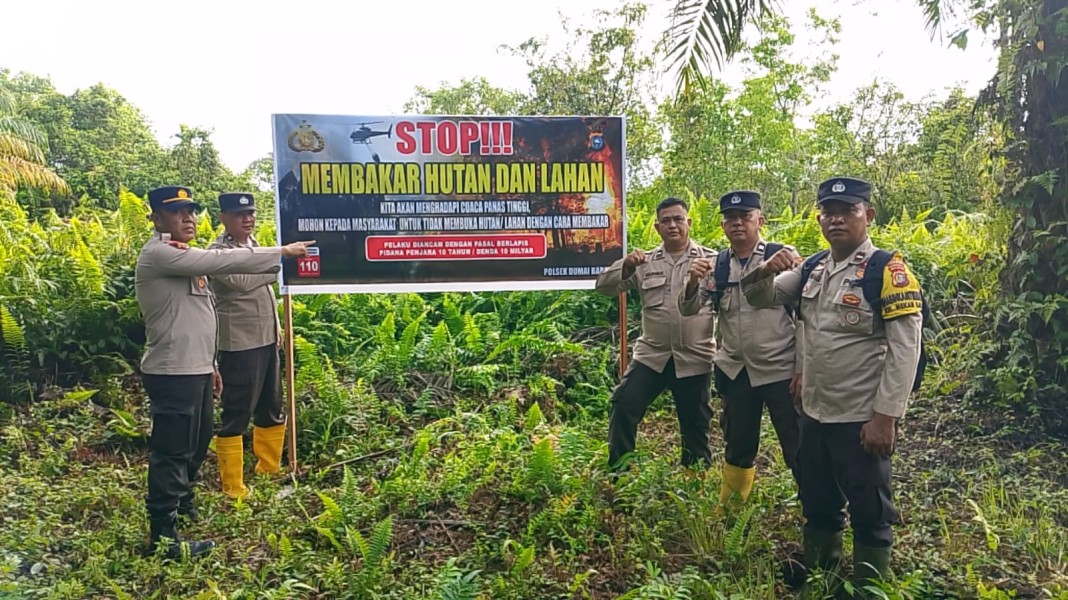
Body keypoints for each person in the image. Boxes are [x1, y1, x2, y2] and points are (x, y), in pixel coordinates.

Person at [741, 177, 923, 590]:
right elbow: (759, 298)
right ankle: (821, 580)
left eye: (848, 211)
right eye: (828, 212)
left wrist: (885, 417)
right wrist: (766, 267)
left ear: (868, 216)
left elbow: (904, 350)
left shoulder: (887, 271)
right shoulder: (812, 269)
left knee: (869, 512)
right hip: (814, 413)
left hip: (859, 417)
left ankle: (867, 588)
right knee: (818, 503)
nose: (836, 219)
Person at [135, 185, 314, 558]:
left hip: (197, 367)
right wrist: (283, 253)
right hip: (172, 371)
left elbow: (199, 317)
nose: (188, 218)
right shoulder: (162, 255)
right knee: (172, 451)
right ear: (155, 219)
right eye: (177, 212)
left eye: (191, 211)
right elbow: (226, 266)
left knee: (195, 444)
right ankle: (163, 538)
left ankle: (183, 508)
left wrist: (211, 364)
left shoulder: (185, 257)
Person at [678, 190, 802, 510]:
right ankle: (731, 515)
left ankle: (814, 509)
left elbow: (805, 317)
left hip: (780, 368)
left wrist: (803, 368)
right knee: (737, 445)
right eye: (731, 219)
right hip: (736, 369)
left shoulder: (783, 257)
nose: (738, 224)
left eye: (745, 217)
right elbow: (691, 308)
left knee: (797, 444)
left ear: (760, 220)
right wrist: (691, 282)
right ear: (722, 226)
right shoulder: (718, 266)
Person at [595, 196, 717, 470]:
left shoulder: (712, 261)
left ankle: (694, 482)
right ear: (656, 226)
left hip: (694, 358)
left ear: (689, 222)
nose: (673, 225)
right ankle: (619, 473)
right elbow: (603, 286)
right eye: (666, 221)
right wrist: (625, 266)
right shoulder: (644, 262)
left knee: (695, 426)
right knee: (624, 405)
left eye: (678, 219)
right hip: (652, 356)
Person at [208, 192, 286, 499]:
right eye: (239, 214)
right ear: (223, 218)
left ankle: (269, 468)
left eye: (251, 213)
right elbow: (240, 281)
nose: (247, 219)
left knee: (271, 404)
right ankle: (233, 485)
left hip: (266, 337)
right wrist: (278, 267)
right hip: (239, 343)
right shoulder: (217, 252)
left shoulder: (255, 247)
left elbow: (266, 295)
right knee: (237, 410)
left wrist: (278, 326)